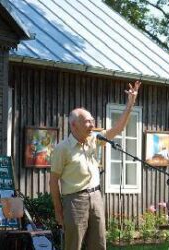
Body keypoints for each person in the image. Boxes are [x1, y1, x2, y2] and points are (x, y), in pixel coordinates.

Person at [49, 81, 141, 250]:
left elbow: (118, 128)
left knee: (99, 244)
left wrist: (130, 103)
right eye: (87, 122)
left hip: (96, 197)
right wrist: (58, 210)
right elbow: (53, 182)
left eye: (92, 121)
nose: (92, 125)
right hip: (74, 200)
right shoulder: (62, 149)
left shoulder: (95, 140)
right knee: (73, 246)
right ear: (74, 125)